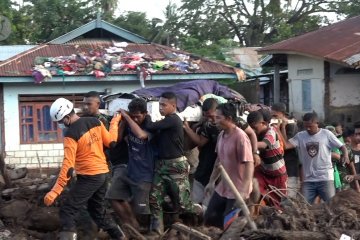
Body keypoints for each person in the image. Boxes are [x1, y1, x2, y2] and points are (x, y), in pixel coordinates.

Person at [44, 98, 125, 240]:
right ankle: (120, 237)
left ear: (67, 117)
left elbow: (68, 167)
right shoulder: (95, 122)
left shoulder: (70, 134)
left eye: (61, 121)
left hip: (89, 177)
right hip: (103, 175)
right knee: (97, 212)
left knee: (68, 211)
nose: (61, 125)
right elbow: (111, 142)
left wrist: (55, 191)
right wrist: (115, 122)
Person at [183, 98, 258, 207]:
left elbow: (251, 137)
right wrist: (190, 129)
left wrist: (255, 152)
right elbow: (202, 144)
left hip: (231, 176)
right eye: (207, 116)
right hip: (212, 168)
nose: (213, 120)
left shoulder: (239, 131)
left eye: (215, 116)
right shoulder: (213, 129)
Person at [144, 92, 193, 235]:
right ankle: (156, 231)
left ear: (173, 106)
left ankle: (200, 215)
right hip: (162, 166)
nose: (161, 108)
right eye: (159, 105)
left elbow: (150, 126)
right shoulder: (165, 123)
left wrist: (146, 115)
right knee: (154, 198)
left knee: (184, 204)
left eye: (164, 105)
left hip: (175, 166)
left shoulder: (173, 120)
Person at [107, 98, 155, 231]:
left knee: (143, 211)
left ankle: (150, 232)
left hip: (145, 173)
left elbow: (141, 135)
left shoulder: (150, 125)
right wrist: (122, 121)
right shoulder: (129, 122)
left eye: (137, 117)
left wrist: (127, 117)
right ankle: (132, 226)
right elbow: (117, 139)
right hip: (130, 170)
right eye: (132, 116)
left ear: (145, 113)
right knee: (113, 196)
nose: (135, 119)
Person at [204, 103, 254, 229]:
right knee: (210, 217)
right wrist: (211, 182)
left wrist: (244, 189)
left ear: (229, 119)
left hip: (237, 189)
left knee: (230, 223)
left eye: (219, 118)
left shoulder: (240, 137)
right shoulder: (221, 135)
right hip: (223, 187)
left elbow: (249, 164)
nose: (215, 121)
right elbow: (218, 160)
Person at [282, 112, 349, 204]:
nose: (308, 128)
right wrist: (281, 128)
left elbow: (342, 146)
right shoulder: (301, 136)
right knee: (303, 207)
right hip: (308, 180)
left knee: (331, 206)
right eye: (306, 126)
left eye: (310, 126)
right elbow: (285, 145)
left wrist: (345, 155)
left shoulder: (326, 134)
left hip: (325, 178)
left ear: (317, 123)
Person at [247, 110, 287, 207]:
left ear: (263, 123)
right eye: (250, 128)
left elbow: (264, 144)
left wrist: (246, 144)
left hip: (278, 175)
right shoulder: (254, 134)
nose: (253, 131)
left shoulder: (271, 132)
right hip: (263, 173)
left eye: (254, 128)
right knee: (252, 189)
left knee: (278, 206)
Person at [272, 103, 300, 198]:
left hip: (290, 168)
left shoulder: (291, 126)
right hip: (279, 168)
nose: (273, 118)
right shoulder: (275, 125)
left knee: (289, 197)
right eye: (272, 115)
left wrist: (282, 128)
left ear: (282, 114)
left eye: (275, 115)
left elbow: (285, 145)